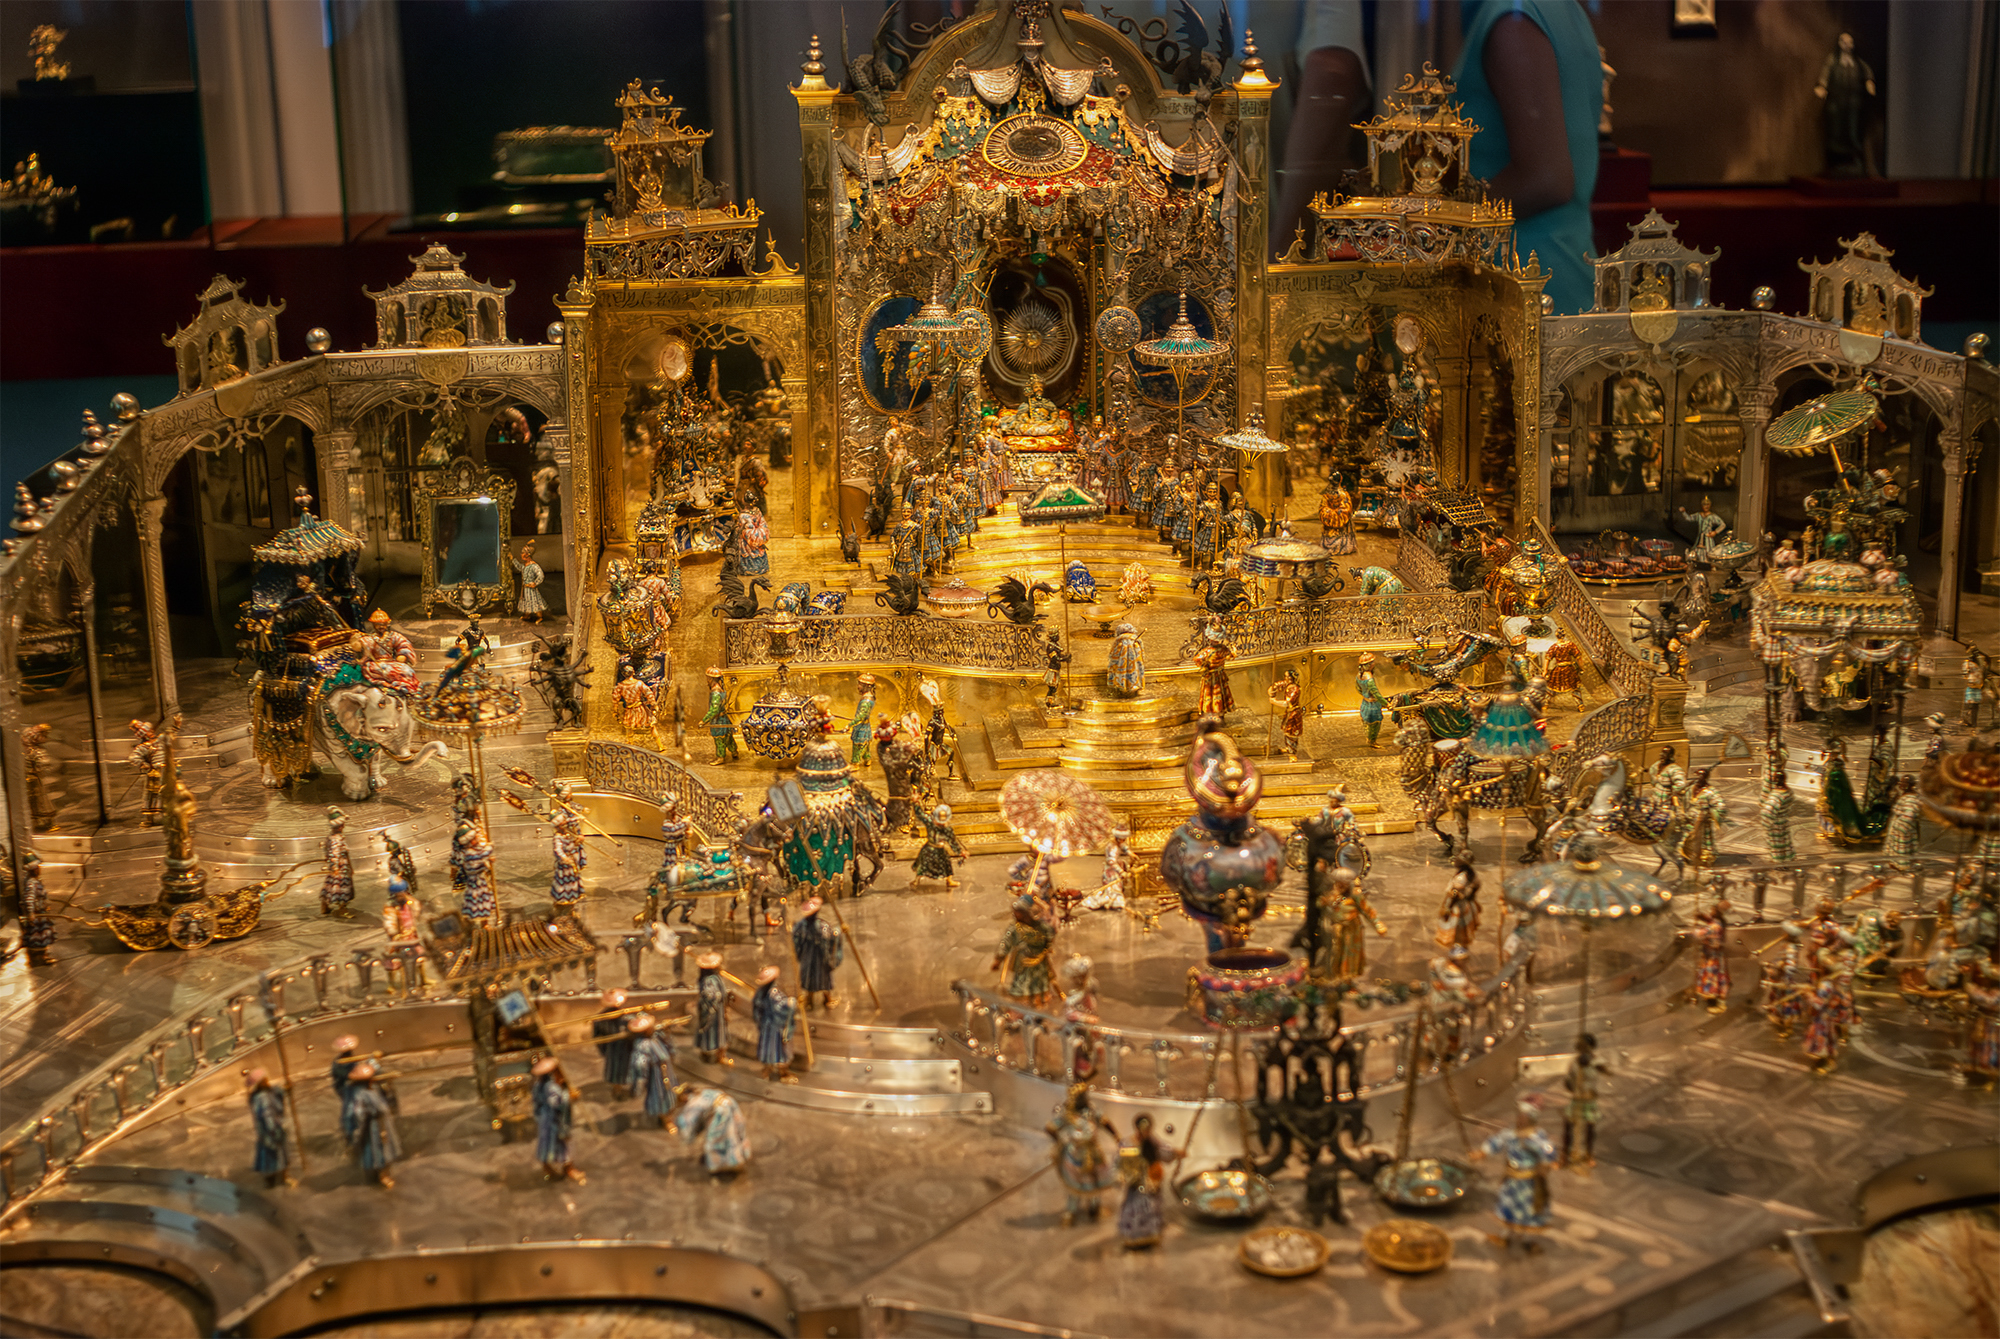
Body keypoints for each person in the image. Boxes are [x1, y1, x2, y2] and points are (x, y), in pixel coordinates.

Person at [1451, 0, 1602, 315]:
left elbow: (1546, 180)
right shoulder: (1557, 8)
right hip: (1559, 272)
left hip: (1524, 289)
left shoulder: (1514, 18)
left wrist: (1436, 218)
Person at [1473, 1096, 1559, 1251]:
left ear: (1531, 1118)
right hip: (1511, 1180)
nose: (1521, 1118)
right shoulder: (1510, 1134)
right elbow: (1496, 1142)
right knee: (1508, 1207)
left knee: (1529, 1210)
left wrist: (1548, 1163)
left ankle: (1527, 1240)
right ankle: (1505, 1236)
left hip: (1529, 1183)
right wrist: (1481, 1152)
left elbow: (1548, 1150)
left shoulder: (1537, 1137)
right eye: (1520, 1115)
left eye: (1524, 1116)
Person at [1046, 1083, 1118, 1227]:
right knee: (1074, 1184)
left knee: (1095, 1180)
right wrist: (1060, 1142)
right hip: (1075, 1153)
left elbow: (1104, 1122)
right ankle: (1071, 1211)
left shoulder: (1092, 1110)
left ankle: (1094, 1207)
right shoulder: (1067, 1114)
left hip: (1093, 1152)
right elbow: (1051, 1127)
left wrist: (1117, 1137)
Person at [343, 1061, 402, 1189]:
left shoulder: (373, 1089)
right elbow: (358, 1113)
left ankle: (383, 1173)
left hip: (381, 1123)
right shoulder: (360, 1094)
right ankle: (382, 1175)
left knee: (384, 1148)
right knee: (378, 1150)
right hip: (373, 1126)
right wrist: (358, 1129)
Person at [993, 893, 1058, 1006]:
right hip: (1023, 960)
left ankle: (1040, 999)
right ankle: (1023, 1003)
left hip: (1039, 960)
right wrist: (999, 959)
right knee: (1023, 982)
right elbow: (1006, 942)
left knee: (1040, 981)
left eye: (1018, 912)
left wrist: (1048, 946)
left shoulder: (1039, 926)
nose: (1016, 915)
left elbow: (1049, 933)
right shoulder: (1015, 928)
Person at [1116, 1113, 1167, 1249]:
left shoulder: (1153, 1142)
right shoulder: (1128, 1143)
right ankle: (1133, 1235)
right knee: (1135, 1208)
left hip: (1150, 1181)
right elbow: (1121, 1160)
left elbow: (1164, 1151)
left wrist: (1176, 1153)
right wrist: (1122, 1174)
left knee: (1151, 1208)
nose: (1145, 1131)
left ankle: (1150, 1233)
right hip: (1136, 1182)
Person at [673, 1084, 751, 1173]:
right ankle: (740, 1155)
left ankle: (724, 1164)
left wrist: (687, 1135)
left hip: (720, 1112)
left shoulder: (693, 1102)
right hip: (730, 1102)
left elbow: (688, 1123)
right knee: (735, 1132)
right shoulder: (703, 1091)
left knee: (716, 1140)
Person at [532, 1056, 585, 1184]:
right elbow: (556, 1103)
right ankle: (567, 1167)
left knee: (549, 1143)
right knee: (561, 1143)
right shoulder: (550, 1087)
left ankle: (551, 1167)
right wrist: (569, 1096)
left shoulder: (538, 1085)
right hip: (553, 1120)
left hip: (546, 1119)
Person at [1561, 1033, 1610, 1169]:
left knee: (1590, 1128)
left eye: (1582, 1043)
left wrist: (1593, 1064)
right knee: (1568, 1126)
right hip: (1577, 1099)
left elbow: (1606, 1071)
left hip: (1589, 1100)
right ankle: (1565, 1155)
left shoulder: (1596, 1061)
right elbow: (1569, 1078)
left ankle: (1589, 1154)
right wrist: (1569, 1083)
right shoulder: (1574, 1062)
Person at [791, 896, 844, 1011]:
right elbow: (830, 937)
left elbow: (796, 937)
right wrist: (838, 931)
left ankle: (814, 999)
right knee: (821, 977)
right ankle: (823, 999)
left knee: (815, 978)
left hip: (809, 957)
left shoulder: (802, 926)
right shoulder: (821, 926)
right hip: (819, 957)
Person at [245, 1068, 292, 1189]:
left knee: (279, 1153)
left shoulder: (268, 1092)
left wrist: (285, 1090)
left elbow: (277, 1093)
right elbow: (267, 1115)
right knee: (272, 1155)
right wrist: (273, 1129)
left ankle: (280, 1177)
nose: (267, 1081)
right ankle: (273, 1180)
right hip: (269, 1130)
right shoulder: (261, 1097)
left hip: (272, 1129)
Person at [751, 965, 798, 1083]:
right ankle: (783, 1073)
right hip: (775, 1027)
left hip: (766, 1026)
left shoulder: (760, 993)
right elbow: (780, 1008)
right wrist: (790, 1003)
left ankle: (767, 1070)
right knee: (780, 1050)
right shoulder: (773, 993)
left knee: (768, 1048)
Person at [628, 1013, 677, 1126]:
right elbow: (640, 1064)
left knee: (671, 1094)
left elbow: (668, 1045)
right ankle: (665, 1118)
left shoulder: (657, 1037)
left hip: (666, 1070)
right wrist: (641, 1079)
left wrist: (667, 1032)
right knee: (660, 1097)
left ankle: (669, 1115)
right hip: (656, 1074)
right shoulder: (642, 1045)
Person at [912, 804, 966, 888]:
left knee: (946, 863)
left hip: (940, 849)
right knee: (922, 865)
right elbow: (920, 814)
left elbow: (952, 841)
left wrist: (960, 851)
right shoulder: (930, 822)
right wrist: (916, 804)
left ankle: (949, 880)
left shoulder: (947, 829)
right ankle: (917, 880)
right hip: (929, 848)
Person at [1692, 900, 1732, 1014]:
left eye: (1713, 910)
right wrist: (1702, 917)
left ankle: (1715, 1001)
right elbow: (1710, 920)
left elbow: (1699, 933)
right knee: (1714, 976)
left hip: (1713, 957)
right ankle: (1714, 997)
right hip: (1714, 955)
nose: (1711, 911)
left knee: (1712, 977)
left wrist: (1694, 929)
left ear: (1718, 912)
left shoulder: (1715, 927)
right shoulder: (1719, 922)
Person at [594, 988, 635, 1098]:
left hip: (625, 1046)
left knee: (628, 1067)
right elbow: (597, 1036)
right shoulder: (601, 1018)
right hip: (613, 1048)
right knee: (615, 1069)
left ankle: (629, 1087)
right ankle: (617, 1089)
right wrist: (603, 1049)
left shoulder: (626, 1016)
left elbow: (632, 1028)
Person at [695, 951, 732, 1064]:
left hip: (718, 1009)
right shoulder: (709, 980)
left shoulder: (714, 978)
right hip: (713, 1010)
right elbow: (711, 995)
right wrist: (718, 997)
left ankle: (719, 1054)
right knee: (712, 1032)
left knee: (720, 1032)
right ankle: (712, 1054)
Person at [320, 808, 354, 916]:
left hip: (340, 865)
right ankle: (342, 909)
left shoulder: (333, 837)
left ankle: (325, 905)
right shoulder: (336, 839)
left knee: (331, 884)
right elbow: (334, 853)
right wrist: (335, 866)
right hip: (340, 867)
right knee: (341, 886)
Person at [702, 666, 739, 763]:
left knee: (719, 738)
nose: (707, 680)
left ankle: (720, 757)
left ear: (711, 679)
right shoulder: (721, 688)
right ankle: (734, 751)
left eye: (708, 678)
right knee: (728, 736)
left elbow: (714, 709)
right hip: (724, 717)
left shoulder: (715, 692)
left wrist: (704, 720)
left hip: (718, 720)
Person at [1269, 668, 1305, 756]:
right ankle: (1289, 748)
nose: (1286, 678)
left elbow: (1287, 703)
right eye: (1285, 676)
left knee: (1292, 733)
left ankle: (1292, 751)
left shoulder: (1295, 689)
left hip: (1294, 713)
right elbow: (1274, 687)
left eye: (1287, 676)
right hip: (1289, 712)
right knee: (1287, 731)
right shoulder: (1287, 685)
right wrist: (1273, 690)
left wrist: (1274, 702)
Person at [1355, 652, 1387, 748]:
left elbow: (1358, 688)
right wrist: (1386, 703)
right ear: (1369, 665)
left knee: (1366, 722)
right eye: (1372, 662)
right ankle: (1372, 741)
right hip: (1373, 705)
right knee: (1375, 723)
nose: (1374, 664)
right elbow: (1375, 693)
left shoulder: (1359, 675)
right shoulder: (1369, 678)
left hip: (1365, 702)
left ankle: (1368, 738)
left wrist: (1365, 696)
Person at [510, 542, 547, 623]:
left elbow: (541, 575)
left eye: (523, 553)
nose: (521, 554)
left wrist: (535, 583)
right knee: (526, 602)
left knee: (535, 602)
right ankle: (527, 615)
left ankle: (539, 617)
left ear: (527, 555)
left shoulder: (534, 566)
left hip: (531, 589)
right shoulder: (525, 565)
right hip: (525, 588)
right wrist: (513, 560)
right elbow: (520, 567)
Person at [1107, 621, 1145, 698]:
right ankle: (1134, 685)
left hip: (1120, 665)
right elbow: (1142, 653)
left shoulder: (1119, 641)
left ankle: (1121, 686)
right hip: (1134, 665)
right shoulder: (1136, 640)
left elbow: (1112, 655)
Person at [850, 674, 877, 768]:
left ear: (867, 686)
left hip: (861, 726)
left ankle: (855, 763)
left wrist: (849, 725)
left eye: (860, 684)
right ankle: (867, 759)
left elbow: (861, 716)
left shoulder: (866, 701)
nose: (858, 686)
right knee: (865, 743)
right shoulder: (868, 698)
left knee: (858, 745)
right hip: (864, 725)